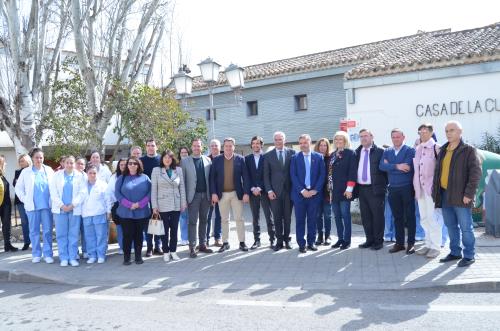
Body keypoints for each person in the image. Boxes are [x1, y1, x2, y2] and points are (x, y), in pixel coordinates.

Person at [432, 121, 481, 267]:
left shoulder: (469, 150)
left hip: (461, 196)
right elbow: (438, 173)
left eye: (452, 130)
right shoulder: (443, 150)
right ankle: (455, 252)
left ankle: (469, 255)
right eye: (446, 131)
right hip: (445, 194)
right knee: (450, 225)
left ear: (460, 132)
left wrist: (469, 194)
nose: (448, 133)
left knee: (466, 227)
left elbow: (475, 174)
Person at [210, 137, 250, 252]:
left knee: (239, 219)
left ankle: (242, 242)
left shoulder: (240, 159)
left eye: (230, 146)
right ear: (223, 147)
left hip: (236, 194)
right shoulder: (216, 160)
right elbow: (212, 178)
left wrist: (246, 193)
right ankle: (225, 242)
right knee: (224, 219)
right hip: (221, 194)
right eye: (226, 146)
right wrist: (213, 193)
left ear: (234, 147)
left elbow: (246, 178)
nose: (228, 148)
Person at [379, 129, 416, 254]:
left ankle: (411, 243)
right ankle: (399, 243)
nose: (395, 139)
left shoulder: (410, 150)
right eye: (393, 137)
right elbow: (381, 166)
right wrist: (396, 166)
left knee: (410, 216)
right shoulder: (387, 151)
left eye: (398, 137)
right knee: (397, 217)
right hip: (393, 188)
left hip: (407, 187)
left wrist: (390, 165)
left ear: (403, 137)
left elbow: (407, 167)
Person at [15, 148, 55, 263]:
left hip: (46, 207)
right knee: (34, 231)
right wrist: (25, 199)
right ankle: (36, 253)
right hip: (32, 207)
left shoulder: (49, 170)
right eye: (37, 157)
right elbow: (18, 188)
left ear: (43, 158)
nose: (39, 159)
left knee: (47, 230)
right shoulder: (26, 171)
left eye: (41, 157)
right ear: (32, 158)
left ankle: (48, 254)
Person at [290, 134, 326, 253]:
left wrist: (315, 190)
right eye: (300, 143)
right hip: (299, 195)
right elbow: (293, 176)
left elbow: (322, 175)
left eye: (305, 142)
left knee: (312, 220)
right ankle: (301, 244)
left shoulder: (319, 157)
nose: (302, 145)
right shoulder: (295, 158)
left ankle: (311, 242)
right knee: (300, 220)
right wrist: (303, 190)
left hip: (314, 195)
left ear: (310, 143)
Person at [49, 156, 86, 267]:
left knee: (73, 234)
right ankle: (64, 257)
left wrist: (73, 205)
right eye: (67, 162)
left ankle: (72, 256)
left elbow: (82, 192)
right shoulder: (56, 175)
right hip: (60, 210)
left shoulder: (80, 176)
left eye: (72, 163)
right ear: (63, 163)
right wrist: (62, 205)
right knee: (61, 234)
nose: (70, 165)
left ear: (74, 164)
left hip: (74, 209)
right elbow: (53, 192)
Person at [354, 129, 388, 250]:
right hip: (362, 189)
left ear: (372, 137)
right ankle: (369, 239)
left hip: (375, 189)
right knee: (366, 216)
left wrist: (384, 186)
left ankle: (378, 241)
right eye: (361, 136)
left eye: (366, 136)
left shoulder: (380, 152)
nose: (363, 138)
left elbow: (386, 171)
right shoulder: (357, 152)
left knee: (377, 216)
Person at [413, 123, 443, 258]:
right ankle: (428, 244)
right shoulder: (418, 148)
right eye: (420, 131)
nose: (422, 134)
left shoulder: (437, 148)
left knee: (433, 218)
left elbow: (441, 170)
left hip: (431, 189)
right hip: (420, 189)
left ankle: (436, 246)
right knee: (424, 218)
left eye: (425, 131)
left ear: (431, 133)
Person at [151, 150, 187, 262]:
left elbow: (182, 188)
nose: (167, 159)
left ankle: (173, 251)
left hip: (176, 204)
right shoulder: (156, 170)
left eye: (169, 157)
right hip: (162, 204)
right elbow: (153, 190)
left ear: (172, 159)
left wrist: (183, 202)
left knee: (175, 229)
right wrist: (154, 206)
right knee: (164, 230)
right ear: (162, 159)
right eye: (165, 157)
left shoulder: (178, 170)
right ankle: (165, 252)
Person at [115, 157, 151, 265]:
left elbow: (150, 193)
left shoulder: (145, 178)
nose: (132, 165)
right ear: (127, 165)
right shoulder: (121, 178)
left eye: (135, 163)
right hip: (126, 212)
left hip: (141, 212)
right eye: (130, 163)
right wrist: (129, 205)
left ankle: (138, 257)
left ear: (138, 165)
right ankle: (127, 258)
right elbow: (117, 194)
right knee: (127, 235)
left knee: (139, 235)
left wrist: (140, 204)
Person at [181, 138, 213, 258]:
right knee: (193, 222)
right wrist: (184, 199)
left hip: (206, 195)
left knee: (204, 221)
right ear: (191, 147)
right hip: (192, 197)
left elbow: (210, 179)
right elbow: (183, 182)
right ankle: (192, 247)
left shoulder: (208, 160)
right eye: (194, 146)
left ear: (201, 147)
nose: (196, 148)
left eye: (198, 146)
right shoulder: (185, 161)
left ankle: (203, 244)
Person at [264, 131, 296, 251]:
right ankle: (279, 241)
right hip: (274, 193)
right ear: (274, 141)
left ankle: (287, 239)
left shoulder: (292, 153)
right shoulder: (268, 156)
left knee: (287, 217)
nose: (278, 141)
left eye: (280, 139)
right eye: (276, 139)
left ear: (285, 140)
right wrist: (269, 190)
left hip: (289, 191)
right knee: (277, 217)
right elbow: (266, 176)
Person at [328, 132, 356, 250]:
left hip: (345, 191)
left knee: (345, 215)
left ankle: (347, 240)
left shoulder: (350, 153)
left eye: (341, 139)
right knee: (337, 216)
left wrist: (349, 189)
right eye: (336, 139)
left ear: (345, 140)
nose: (338, 141)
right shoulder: (332, 154)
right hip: (333, 191)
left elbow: (352, 172)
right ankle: (340, 238)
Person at [246, 136, 275, 250]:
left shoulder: (267, 157)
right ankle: (256, 241)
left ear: (261, 145)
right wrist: (253, 188)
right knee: (255, 218)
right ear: (251, 145)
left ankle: (272, 240)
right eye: (253, 143)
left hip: (264, 192)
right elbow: (246, 175)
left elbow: (268, 175)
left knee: (269, 217)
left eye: (258, 143)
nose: (255, 145)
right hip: (253, 192)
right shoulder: (247, 158)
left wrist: (260, 188)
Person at [81, 165, 111, 264]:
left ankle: (101, 255)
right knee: (89, 237)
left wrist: (108, 211)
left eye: (94, 173)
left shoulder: (103, 185)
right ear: (86, 173)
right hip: (86, 215)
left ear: (97, 174)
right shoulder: (82, 185)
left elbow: (108, 199)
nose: (92, 175)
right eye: (90, 173)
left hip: (99, 213)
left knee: (101, 235)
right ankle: (92, 255)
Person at [140, 138, 162, 257]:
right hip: (145, 196)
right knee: (148, 223)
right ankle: (149, 247)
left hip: (159, 195)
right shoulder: (141, 161)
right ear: (146, 147)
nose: (150, 147)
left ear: (156, 147)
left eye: (153, 145)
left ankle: (158, 246)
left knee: (157, 220)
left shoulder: (161, 160)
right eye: (148, 145)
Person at [313, 138, 333, 246]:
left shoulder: (331, 158)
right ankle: (319, 236)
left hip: (327, 191)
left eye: (325, 145)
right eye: (321, 145)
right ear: (317, 146)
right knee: (317, 215)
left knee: (327, 215)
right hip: (316, 191)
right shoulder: (314, 158)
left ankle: (328, 236)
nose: (323, 147)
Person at [107, 158, 127, 254]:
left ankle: (131, 246)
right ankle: (122, 247)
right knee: (120, 227)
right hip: (118, 205)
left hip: (130, 205)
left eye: (125, 164)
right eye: (121, 164)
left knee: (130, 227)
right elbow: (110, 192)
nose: (123, 166)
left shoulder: (132, 175)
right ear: (118, 166)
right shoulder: (114, 177)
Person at [13, 154, 32, 251]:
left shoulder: (32, 171)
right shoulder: (17, 172)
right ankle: (27, 242)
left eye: (23, 161)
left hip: (32, 200)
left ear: (28, 161)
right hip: (20, 201)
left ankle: (34, 241)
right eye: (20, 161)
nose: (21, 163)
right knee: (24, 222)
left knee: (33, 221)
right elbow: (15, 184)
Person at [206, 139, 222, 246]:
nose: (214, 147)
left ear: (220, 147)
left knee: (219, 216)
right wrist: (211, 193)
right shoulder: (206, 160)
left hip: (221, 193)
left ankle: (218, 237)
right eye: (212, 146)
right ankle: (205, 239)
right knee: (207, 216)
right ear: (209, 147)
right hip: (209, 193)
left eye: (216, 145)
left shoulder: (223, 159)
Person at [0, 155, 18, 252]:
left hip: (6, 204)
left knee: (7, 225)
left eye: (4, 162)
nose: (4, 164)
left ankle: (7, 245)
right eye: (3, 162)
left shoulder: (3, 175)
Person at [75, 156, 88, 258]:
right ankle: (75, 251)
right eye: (78, 163)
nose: (80, 165)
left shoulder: (88, 176)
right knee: (74, 231)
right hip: (74, 208)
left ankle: (85, 250)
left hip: (86, 209)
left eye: (82, 164)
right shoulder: (71, 176)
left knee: (85, 231)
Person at [177, 147, 190, 246]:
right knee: (183, 217)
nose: (184, 154)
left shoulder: (191, 164)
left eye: (186, 152)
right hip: (179, 195)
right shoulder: (176, 166)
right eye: (182, 152)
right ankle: (184, 237)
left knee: (191, 217)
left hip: (191, 194)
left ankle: (190, 236)